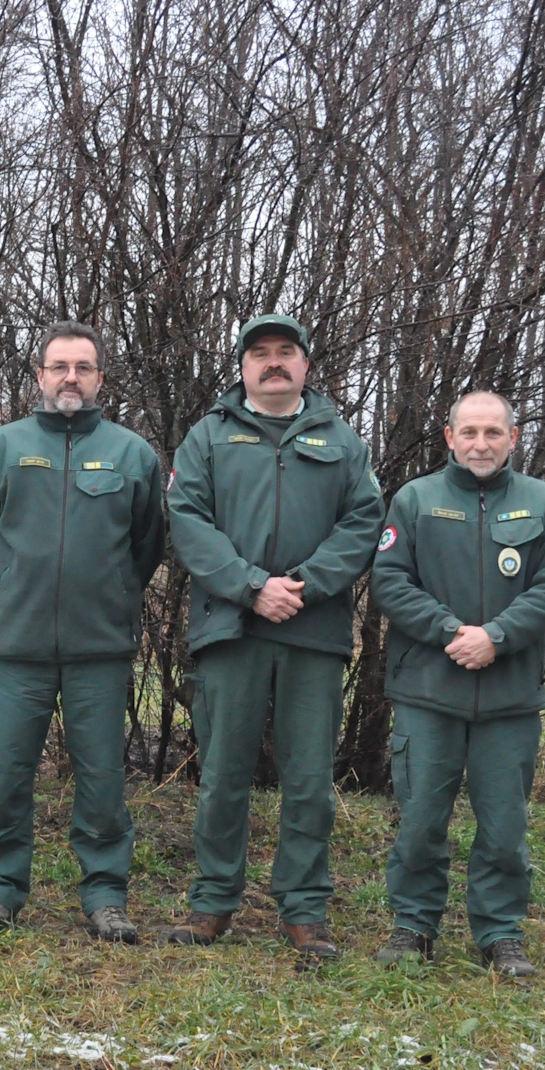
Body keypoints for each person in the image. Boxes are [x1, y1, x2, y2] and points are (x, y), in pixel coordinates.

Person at [164, 313, 383, 960]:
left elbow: (363, 522)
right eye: (260, 353)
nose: (273, 362)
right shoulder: (207, 437)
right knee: (224, 772)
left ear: (306, 364)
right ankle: (212, 901)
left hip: (313, 630)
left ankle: (305, 908)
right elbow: (188, 520)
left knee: (310, 776)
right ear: (242, 367)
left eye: (286, 351)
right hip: (230, 627)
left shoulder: (343, 441)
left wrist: (306, 584)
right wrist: (252, 584)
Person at [0, 321, 165, 944]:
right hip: (14, 648)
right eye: (58, 367)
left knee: (102, 781)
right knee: (5, 777)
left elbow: (148, 545)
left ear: (101, 378)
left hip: (98, 650)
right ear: (40, 376)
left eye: (83, 367)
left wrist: (112, 594)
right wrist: (9, 589)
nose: (70, 378)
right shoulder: (0, 448)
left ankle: (105, 896)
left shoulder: (134, 454)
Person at [368, 391, 545, 976]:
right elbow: (390, 580)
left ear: (513, 437)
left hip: (508, 696)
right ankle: (413, 925)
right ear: (449, 437)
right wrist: (452, 630)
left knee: (505, 828)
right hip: (429, 690)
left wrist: (499, 636)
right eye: (470, 432)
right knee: (420, 821)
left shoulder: (544, 502)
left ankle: (501, 933)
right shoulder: (416, 499)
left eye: (493, 432)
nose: (481, 444)